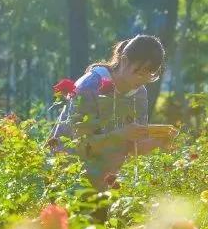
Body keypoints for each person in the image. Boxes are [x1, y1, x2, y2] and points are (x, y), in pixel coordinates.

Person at [48, 34, 178, 190]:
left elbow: (132, 147)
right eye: (139, 72)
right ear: (124, 60)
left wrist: (159, 141)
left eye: (150, 75)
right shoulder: (89, 86)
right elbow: (81, 144)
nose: (143, 79)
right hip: (65, 175)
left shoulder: (140, 94)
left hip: (102, 181)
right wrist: (122, 134)